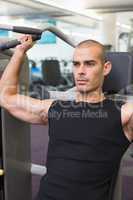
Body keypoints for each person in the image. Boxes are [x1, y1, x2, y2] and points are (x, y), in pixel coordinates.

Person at [0, 35, 132, 200]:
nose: (81, 71)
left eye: (89, 64)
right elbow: (6, 98)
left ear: (105, 68)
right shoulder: (55, 109)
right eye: (76, 64)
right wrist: (19, 52)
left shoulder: (122, 115)